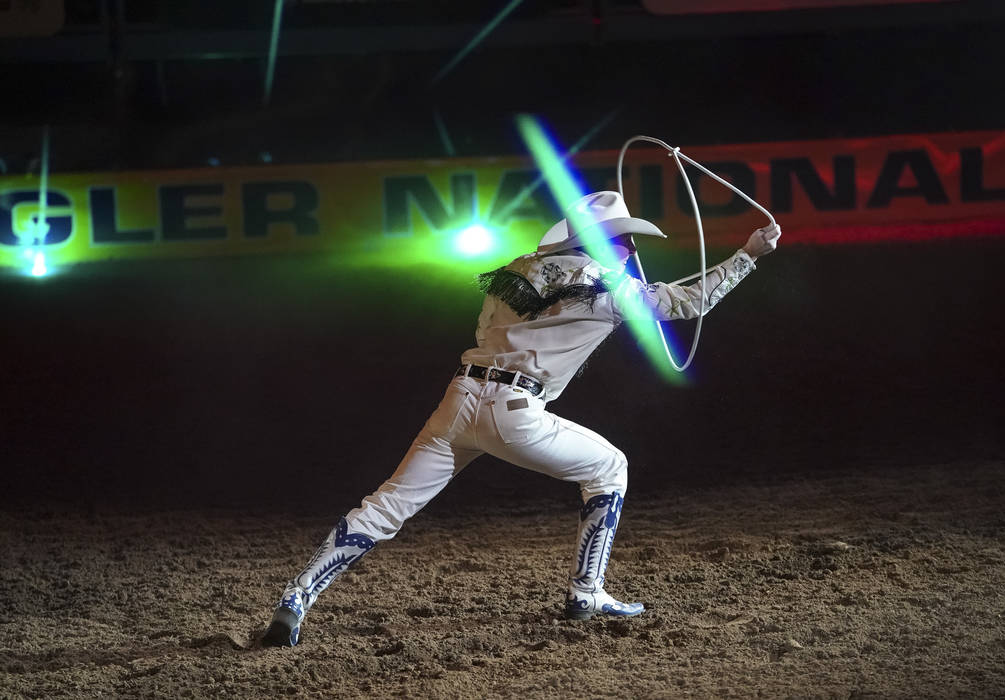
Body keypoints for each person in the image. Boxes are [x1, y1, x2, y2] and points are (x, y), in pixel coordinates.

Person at [262, 190, 781, 647]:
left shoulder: (516, 270)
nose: (631, 248)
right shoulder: (608, 287)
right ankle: (586, 593)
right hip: (514, 411)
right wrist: (748, 255)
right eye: (624, 239)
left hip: (459, 396)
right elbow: (688, 303)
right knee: (610, 467)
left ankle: (296, 597)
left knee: (387, 504)